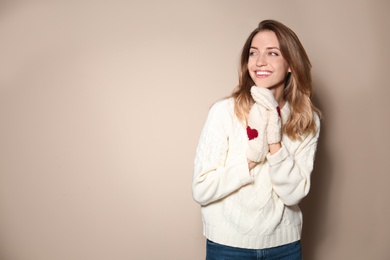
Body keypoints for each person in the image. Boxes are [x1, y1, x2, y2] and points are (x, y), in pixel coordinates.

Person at [192, 20, 321, 260]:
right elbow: (201, 188)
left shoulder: (306, 119)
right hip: (227, 247)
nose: (260, 61)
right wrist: (251, 159)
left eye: (272, 53)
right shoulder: (225, 112)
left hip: (285, 247)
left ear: (291, 64)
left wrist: (274, 138)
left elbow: (293, 195)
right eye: (254, 53)